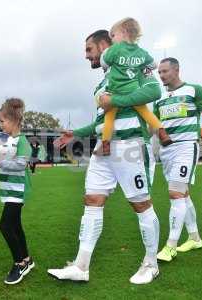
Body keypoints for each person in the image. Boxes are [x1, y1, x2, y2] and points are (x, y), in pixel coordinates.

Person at [47, 29, 161, 284]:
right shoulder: (101, 82)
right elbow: (100, 122)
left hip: (130, 146)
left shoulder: (136, 67)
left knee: (141, 204)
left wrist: (116, 99)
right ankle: (81, 266)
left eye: (89, 49)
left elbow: (154, 91)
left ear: (104, 45)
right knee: (92, 201)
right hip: (103, 149)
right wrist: (76, 133)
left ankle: (151, 264)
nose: (87, 56)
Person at [154, 58, 202, 261]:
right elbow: (154, 124)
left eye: (164, 71)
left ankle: (170, 246)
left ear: (176, 70)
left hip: (186, 147)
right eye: (159, 72)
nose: (161, 75)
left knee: (175, 194)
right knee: (183, 194)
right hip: (166, 151)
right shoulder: (159, 97)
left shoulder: (194, 90)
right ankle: (194, 238)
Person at [99, 17, 171, 155]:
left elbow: (105, 63)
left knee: (109, 116)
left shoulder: (116, 49)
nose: (112, 40)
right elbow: (153, 65)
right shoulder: (141, 52)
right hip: (133, 90)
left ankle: (106, 145)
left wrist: (106, 54)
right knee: (146, 113)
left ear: (124, 32)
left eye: (113, 35)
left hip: (115, 90)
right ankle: (162, 133)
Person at [0, 98, 34, 285]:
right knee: (15, 226)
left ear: (14, 120)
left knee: (5, 226)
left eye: (2, 121)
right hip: (9, 191)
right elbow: (2, 158)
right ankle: (27, 260)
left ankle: (19, 263)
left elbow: (19, 165)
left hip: (18, 191)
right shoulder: (8, 141)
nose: (0, 125)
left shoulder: (23, 142)